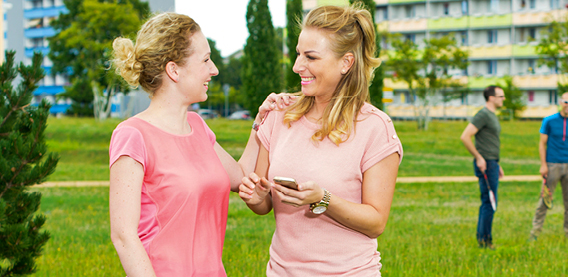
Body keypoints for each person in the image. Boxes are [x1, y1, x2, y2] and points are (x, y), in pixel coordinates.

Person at [108, 13, 293, 276]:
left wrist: (260, 121)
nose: (214, 69)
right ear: (174, 70)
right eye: (205, 60)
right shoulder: (132, 135)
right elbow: (123, 236)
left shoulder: (197, 126)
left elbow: (241, 176)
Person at [237, 4, 403, 276]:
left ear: (346, 63)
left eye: (311, 57)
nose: (297, 66)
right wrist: (255, 198)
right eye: (298, 54)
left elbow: (376, 222)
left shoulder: (375, 127)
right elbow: (264, 203)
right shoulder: (280, 114)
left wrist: (324, 199)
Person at [529, 92, 568, 242]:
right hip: (552, 165)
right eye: (566, 102)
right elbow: (542, 144)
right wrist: (543, 165)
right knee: (545, 200)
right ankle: (535, 232)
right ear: (560, 102)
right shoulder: (549, 121)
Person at [460, 85, 505, 249]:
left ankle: (484, 239)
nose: (503, 99)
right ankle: (485, 241)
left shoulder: (491, 115)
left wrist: (497, 164)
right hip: (486, 164)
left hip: (492, 163)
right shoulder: (483, 115)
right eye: (501, 96)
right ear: (491, 98)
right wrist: (479, 158)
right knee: (489, 202)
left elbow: (490, 142)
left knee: (490, 202)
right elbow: (465, 136)